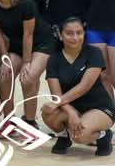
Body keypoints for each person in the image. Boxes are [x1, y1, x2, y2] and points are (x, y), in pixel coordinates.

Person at [0, 0, 53, 127]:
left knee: (27, 78)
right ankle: (8, 122)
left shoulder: (25, 3)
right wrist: (5, 60)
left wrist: (26, 62)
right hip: (16, 45)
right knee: (4, 76)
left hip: (41, 42)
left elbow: (28, 35)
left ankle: (29, 122)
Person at [43, 17, 114, 156]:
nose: (75, 37)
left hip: (99, 107)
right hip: (70, 106)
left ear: (84, 34)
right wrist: (71, 112)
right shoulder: (53, 59)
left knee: (79, 136)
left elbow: (84, 86)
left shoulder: (93, 53)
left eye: (79, 33)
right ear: (61, 35)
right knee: (47, 112)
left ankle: (103, 136)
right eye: (69, 33)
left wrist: (68, 110)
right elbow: (56, 95)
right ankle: (64, 136)